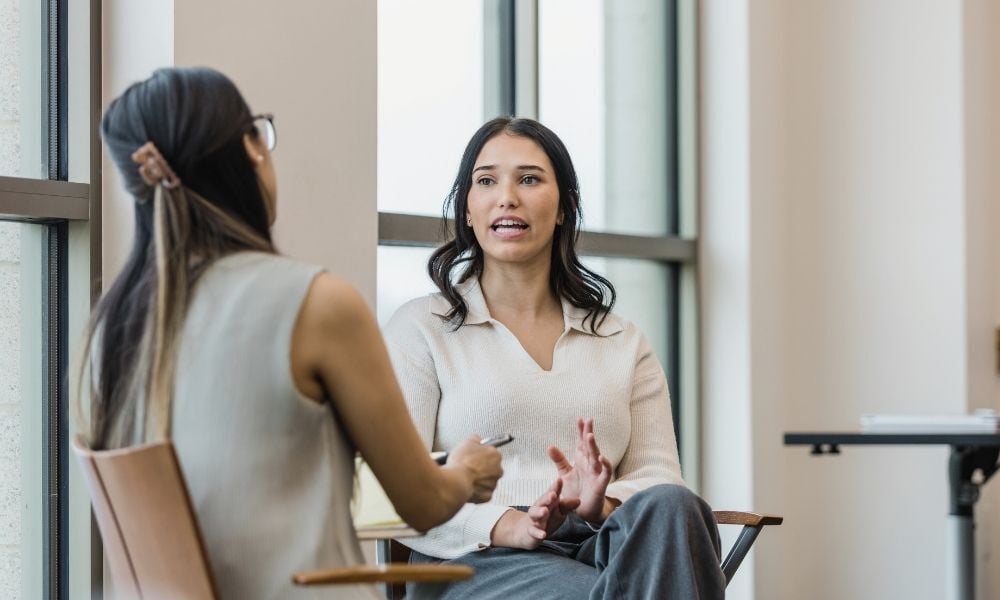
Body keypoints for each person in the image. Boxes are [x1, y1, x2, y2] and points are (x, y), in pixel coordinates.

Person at [79, 67, 503, 600]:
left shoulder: (115, 327)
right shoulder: (316, 304)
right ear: (250, 148)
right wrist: (466, 471)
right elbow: (421, 502)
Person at [384, 117, 726, 599]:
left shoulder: (620, 339)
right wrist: (508, 525)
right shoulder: (422, 328)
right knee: (615, 590)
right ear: (467, 207)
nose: (507, 197)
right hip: (475, 560)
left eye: (529, 179)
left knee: (674, 505)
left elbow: (659, 475)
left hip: (601, 544)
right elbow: (392, 487)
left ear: (564, 207)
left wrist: (601, 504)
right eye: (486, 181)